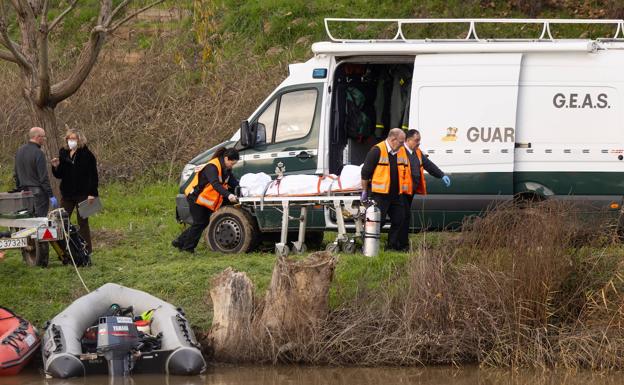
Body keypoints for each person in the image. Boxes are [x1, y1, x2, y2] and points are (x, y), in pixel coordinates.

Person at [172, 147, 240, 253]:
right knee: (199, 222)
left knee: (202, 222)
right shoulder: (212, 167)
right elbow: (215, 184)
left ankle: (180, 241)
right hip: (194, 196)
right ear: (226, 158)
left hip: (203, 198)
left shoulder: (226, 169)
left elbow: (233, 182)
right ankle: (188, 248)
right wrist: (228, 195)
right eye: (232, 163)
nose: (233, 165)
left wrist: (243, 188)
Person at [360, 128, 412, 251]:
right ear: (393, 139)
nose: (402, 145)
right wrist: (364, 191)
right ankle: (367, 245)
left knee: (400, 219)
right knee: (378, 221)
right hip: (380, 195)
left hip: (396, 194)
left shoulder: (400, 151)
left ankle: (392, 246)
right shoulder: (377, 150)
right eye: (401, 142)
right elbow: (365, 173)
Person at [399, 129, 451, 249]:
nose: (418, 143)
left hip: (410, 191)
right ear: (408, 140)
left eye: (419, 141)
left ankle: (402, 244)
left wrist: (441, 175)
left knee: (405, 217)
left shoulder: (417, 152)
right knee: (402, 217)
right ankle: (398, 245)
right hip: (400, 191)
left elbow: (428, 165)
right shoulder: (400, 151)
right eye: (416, 140)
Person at [51, 129, 99, 254]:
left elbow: (93, 176)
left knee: (83, 222)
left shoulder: (87, 155)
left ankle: (86, 250)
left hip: (84, 194)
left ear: (79, 140)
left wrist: (92, 194)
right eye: (69, 138)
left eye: (74, 138)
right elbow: (59, 174)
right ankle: (65, 250)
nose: (71, 141)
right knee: (61, 219)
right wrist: (56, 166)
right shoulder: (63, 153)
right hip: (67, 194)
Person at [14, 127, 56, 217]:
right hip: (38, 193)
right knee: (40, 221)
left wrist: (19, 188)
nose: (44, 139)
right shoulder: (38, 153)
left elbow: (16, 173)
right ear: (37, 137)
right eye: (43, 137)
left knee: (27, 220)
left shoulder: (19, 151)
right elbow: (43, 177)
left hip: (24, 192)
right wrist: (50, 195)